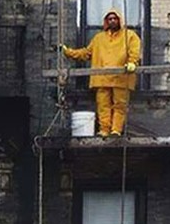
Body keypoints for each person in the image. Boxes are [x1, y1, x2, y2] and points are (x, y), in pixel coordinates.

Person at [60, 8, 141, 137]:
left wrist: (133, 62)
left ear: (119, 20)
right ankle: (104, 130)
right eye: (110, 19)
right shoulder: (99, 38)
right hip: (102, 78)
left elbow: (135, 51)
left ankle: (116, 130)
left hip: (121, 78)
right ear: (106, 21)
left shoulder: (130, 35)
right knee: (103, 106)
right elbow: (86, 53)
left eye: (115, 18)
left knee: (120, 105)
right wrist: (68, 52)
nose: (113, 21)